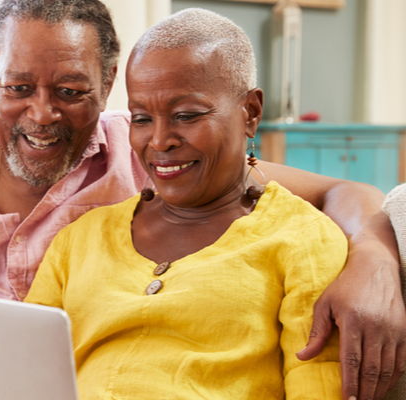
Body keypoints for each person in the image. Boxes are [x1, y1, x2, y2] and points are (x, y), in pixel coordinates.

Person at [0, 1, 405, 399]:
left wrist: (375, 256)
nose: (41, 114)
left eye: (70, 90)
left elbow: (338, 193)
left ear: (108, 82)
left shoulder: (150, 156)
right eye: (17, 87)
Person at [24, 8, 351, 399]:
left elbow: (318, 387)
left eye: (186, 115)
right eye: (142, 118)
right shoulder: (78, 241)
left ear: (250, 113)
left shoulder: (302, 241)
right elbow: (22, 373)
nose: (159, 141)